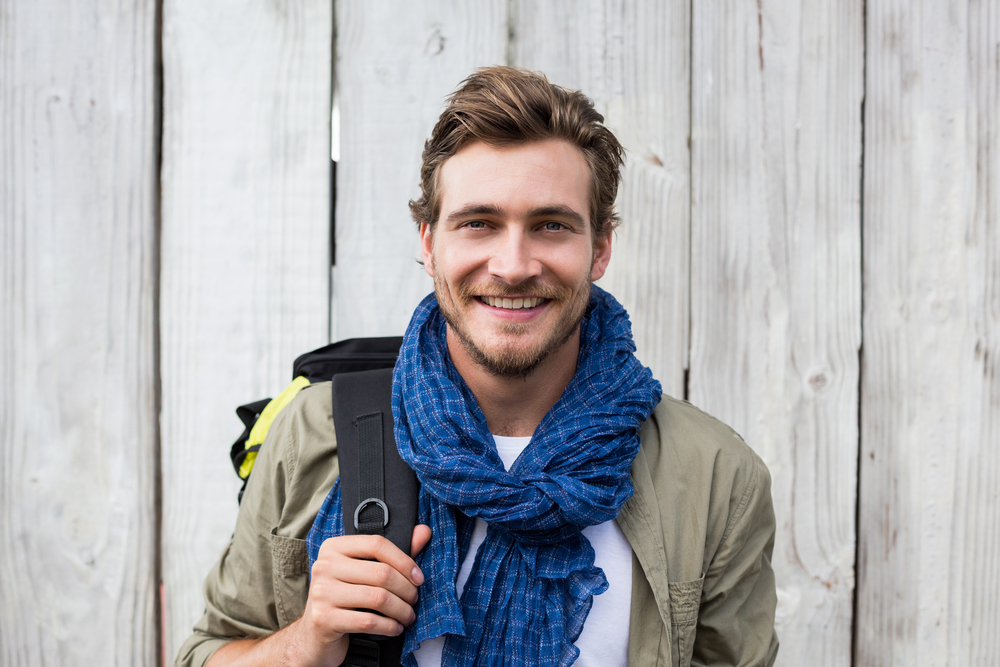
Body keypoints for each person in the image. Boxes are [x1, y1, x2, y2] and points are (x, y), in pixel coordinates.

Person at [176, 66, 778, 667]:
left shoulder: (715, 478)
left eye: (551, 225)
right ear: (429, 242)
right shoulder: (314, 433)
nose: (513, 265)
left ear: (599, 249)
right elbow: (204, 653)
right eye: (478, 223)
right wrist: (307, 641)